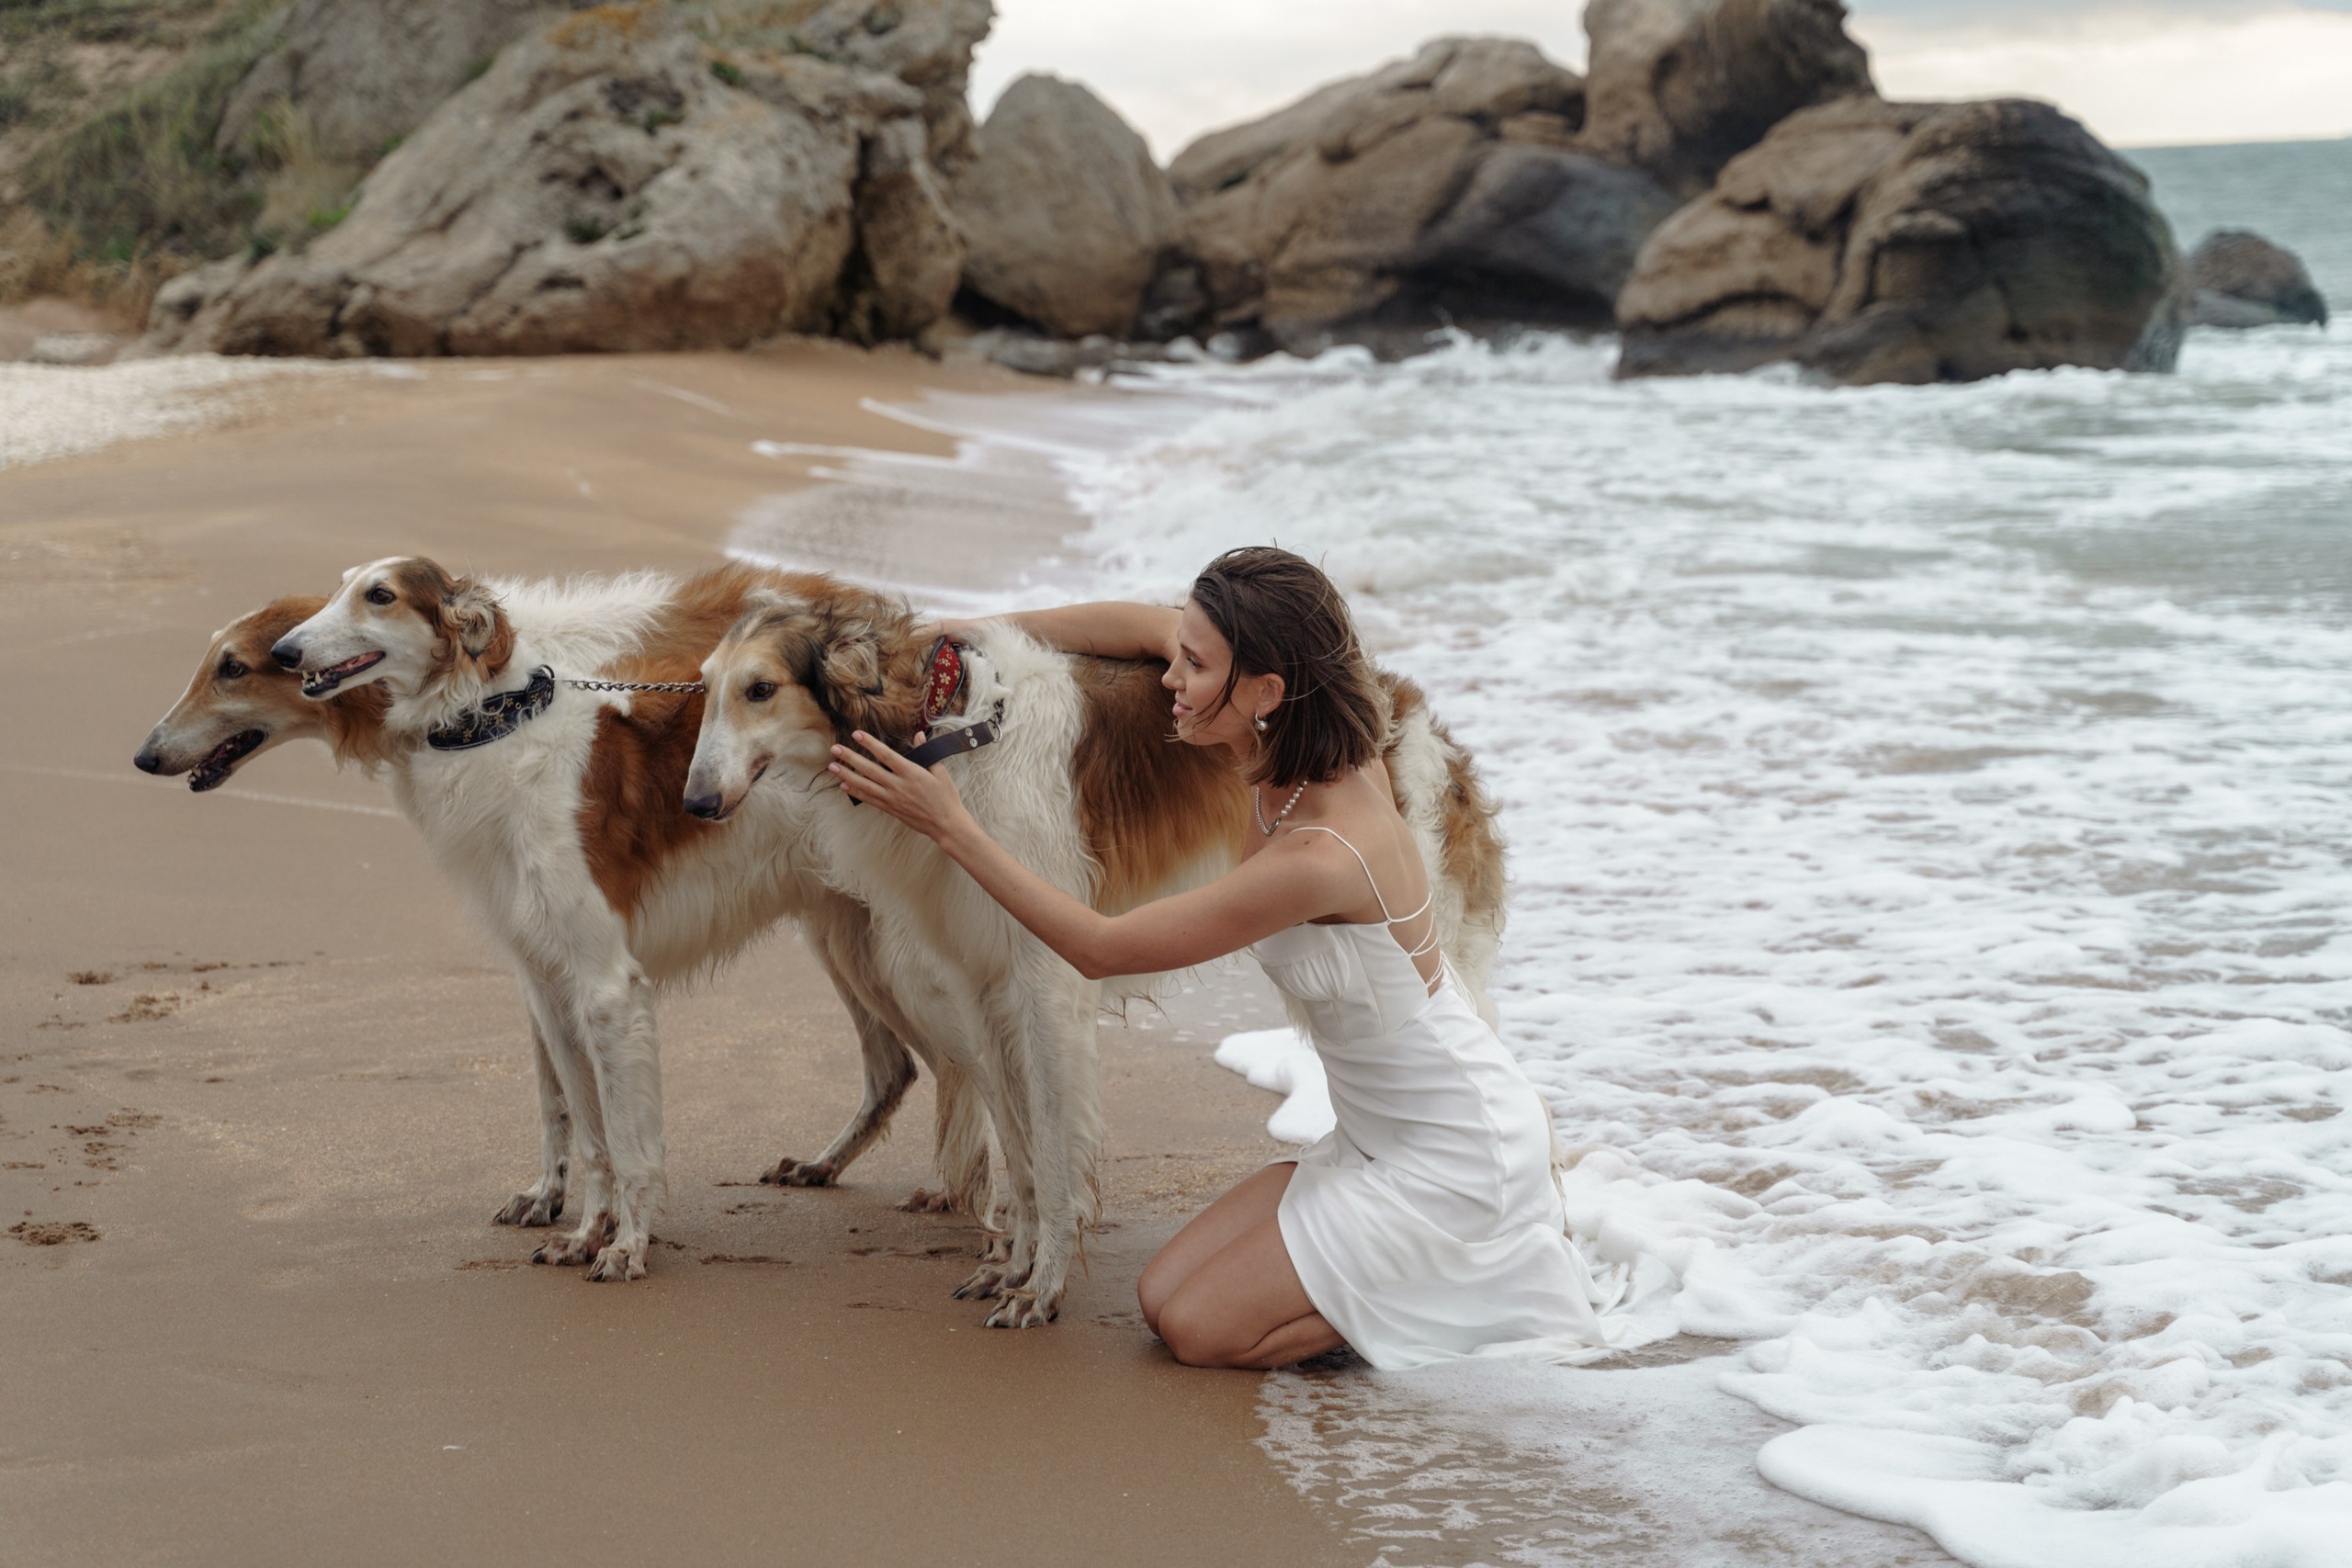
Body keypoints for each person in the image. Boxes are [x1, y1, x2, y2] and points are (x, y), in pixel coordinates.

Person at [827, 546, 1632, 1371]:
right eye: (1181, 654)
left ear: (1264, 692)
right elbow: (1129, 628)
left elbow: (1097, 949)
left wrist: (951, 825)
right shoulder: (1281, 755)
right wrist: (972, 632)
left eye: (1195, 664)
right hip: (1374, 1138)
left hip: (1454, 1154)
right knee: (1159, 1296)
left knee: (1201, 1331)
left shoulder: (1322, 851)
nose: (1169, 676)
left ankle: (1473, 1280)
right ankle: (1402, 1267)